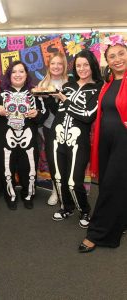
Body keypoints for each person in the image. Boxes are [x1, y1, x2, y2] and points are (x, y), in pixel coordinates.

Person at [79, 37, 127, 253]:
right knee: (115, 184)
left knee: (110, 188)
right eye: (112, 56)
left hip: (123, 142)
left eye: (121, 54)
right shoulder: (107, 85)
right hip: (106, 142)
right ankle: (120, 222)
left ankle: (98, 233)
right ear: (107, 61)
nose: (117, 59)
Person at [51, 49, 103, 228]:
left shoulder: (99, 87)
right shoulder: (68, 85)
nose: (82, 68)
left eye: (85, 65)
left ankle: (84, 210)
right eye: (78, 65)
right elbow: (58, 112)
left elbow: (88, 115)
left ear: (92, 65)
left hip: (78, 140)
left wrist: (65, 101)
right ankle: (66, 207)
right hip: (57, 136)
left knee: (74, 181)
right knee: (58, 178)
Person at [0, 61, 47, 210]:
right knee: (6, 168)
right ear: (9, 75)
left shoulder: (35, 93)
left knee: (29, 168)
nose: (18, 75)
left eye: (21, 71)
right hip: (5, 140)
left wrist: (37, 114)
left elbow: (43, 117)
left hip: (28, 139)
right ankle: (10, 196)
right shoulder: (0, 94)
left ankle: (28, 195)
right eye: (14, 72)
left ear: (26, 74)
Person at [37, 52, 68, 206]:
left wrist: (56, 98)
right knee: (53, 160)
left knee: (66, 161)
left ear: (64, 66)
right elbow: (40, 112)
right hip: (49, 129)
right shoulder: (42, 84)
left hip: (67, 128)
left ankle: (67, 193)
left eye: (59, 64)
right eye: (53, 63)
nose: (56, 66)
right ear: (49, 66)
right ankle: (56, 191)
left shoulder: (70, 83)